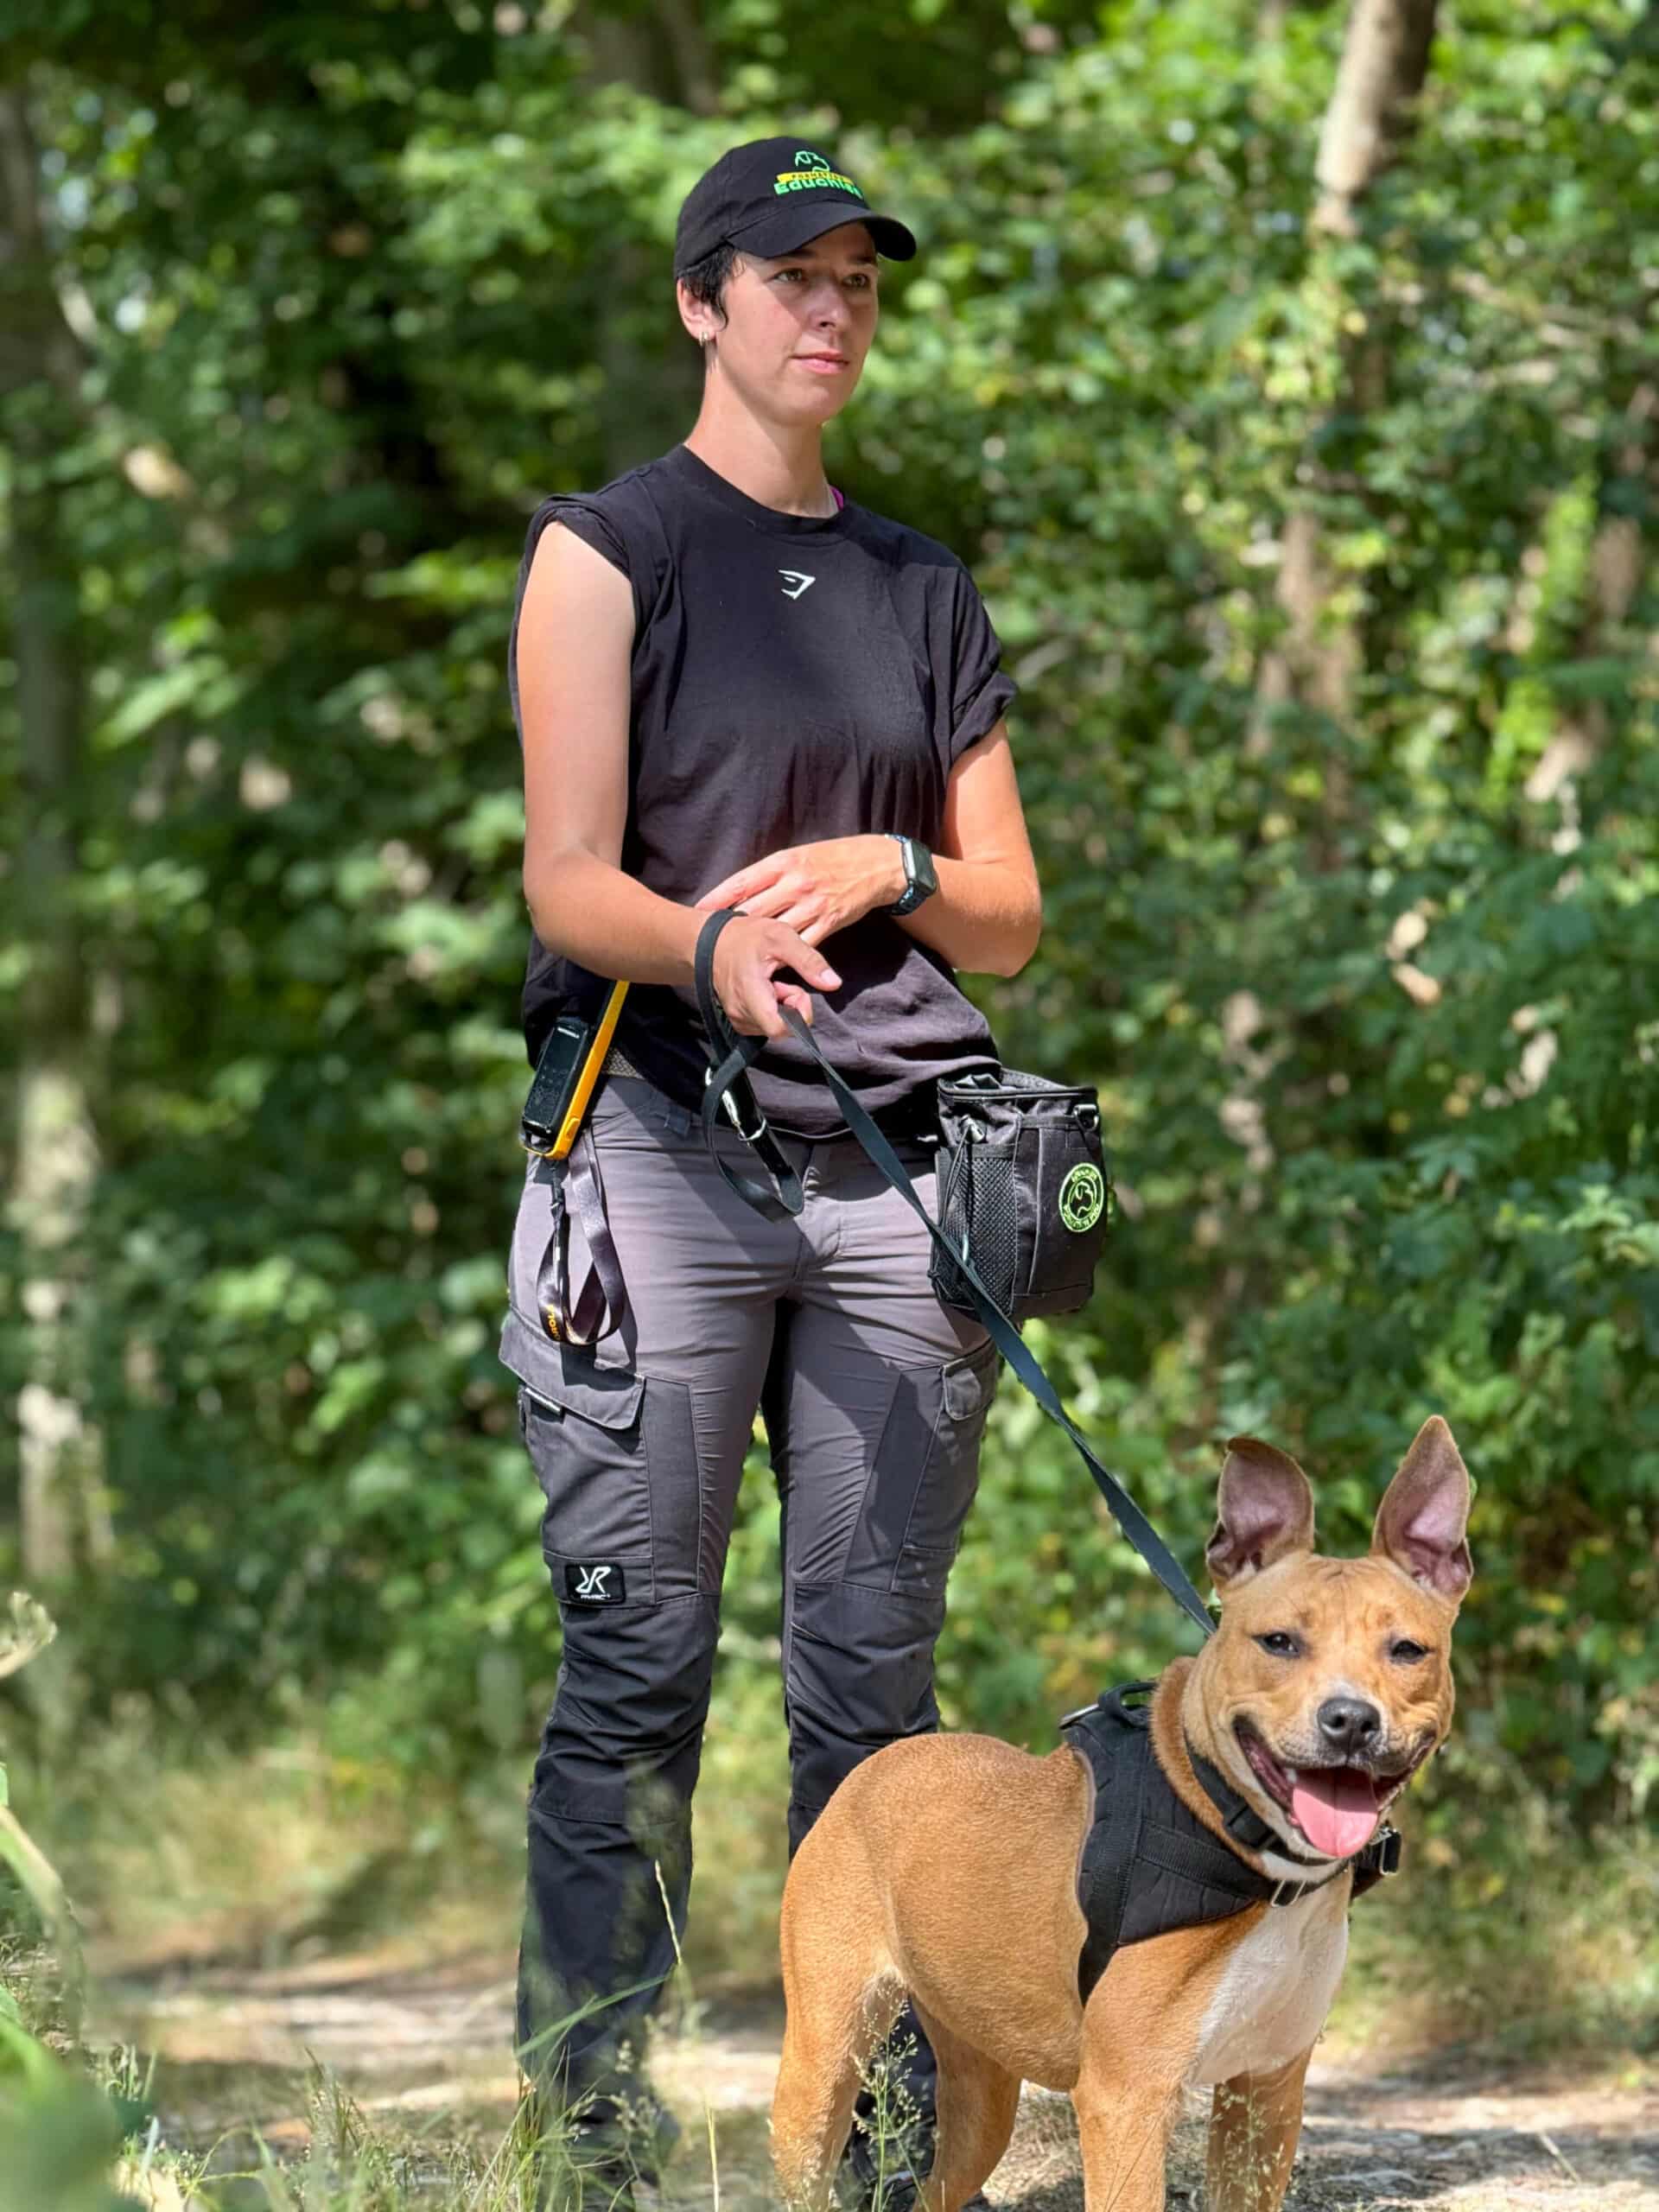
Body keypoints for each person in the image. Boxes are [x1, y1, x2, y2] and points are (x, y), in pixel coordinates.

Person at [499, 134, 1041, 2208]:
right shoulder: (609, 548)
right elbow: (565, 875)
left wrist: (899, 860)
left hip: (904, 1179)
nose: (834, 308)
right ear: (699, 304)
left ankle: (881, 2145)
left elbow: (1003, 913)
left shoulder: (923, 586)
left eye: (861, 280)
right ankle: (595, 2137)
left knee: (872, 1686)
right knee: (638, 1655)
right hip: (655, 1149)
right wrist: (711, 936)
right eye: (790, 273)